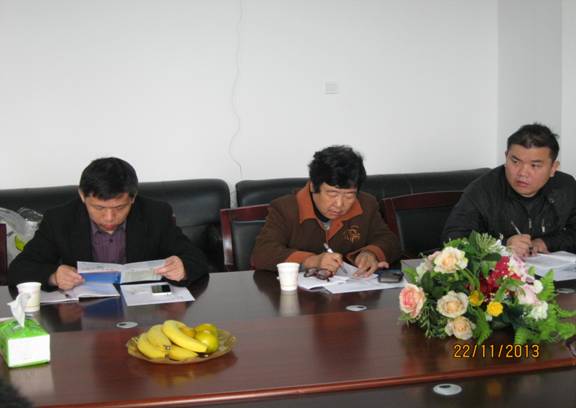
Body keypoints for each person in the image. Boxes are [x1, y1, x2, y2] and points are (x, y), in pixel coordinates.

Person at [8, 157, 209, 290]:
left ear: (133, 198)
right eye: (99, 208)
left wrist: (183, 267)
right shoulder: (59, 219)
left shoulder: (155, 213)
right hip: (83, 314)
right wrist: (53, 276)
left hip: (143, 310)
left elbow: (196, 258)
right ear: (82, 196)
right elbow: (20, 268)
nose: (110, 218)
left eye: (120, 207)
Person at [252, 145, 401, 277]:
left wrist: (371, 253)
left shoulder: (367, 204)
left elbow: (389, 240)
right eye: (332, 194)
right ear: (313, 186)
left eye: (349, 195)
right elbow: (262, 253)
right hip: (300, 295)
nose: (339, 204)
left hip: (352, 292)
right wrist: (311, 260)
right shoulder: (285, 209)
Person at [443, 123, 576, 258]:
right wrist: (502, 246)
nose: (523, 173)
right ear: (506, 156)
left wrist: (546, 243)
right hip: (498, 270)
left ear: (553, 168)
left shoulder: (565, 187)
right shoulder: (482, 190)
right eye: (515, 162)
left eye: (535, 165)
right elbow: (453, 240)